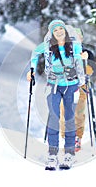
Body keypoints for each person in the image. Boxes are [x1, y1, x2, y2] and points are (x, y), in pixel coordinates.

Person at [27, 20, 85, 170]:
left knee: (70, 118)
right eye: (55, 30)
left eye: (61, 29)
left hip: (71, 86)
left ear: (65, 30)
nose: (59, 31)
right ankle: (52, 154)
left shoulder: (73, 45)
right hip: (53, 85)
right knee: (53, 117)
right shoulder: (47, 46)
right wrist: (31, 70)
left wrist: (82, 80)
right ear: (51, 33)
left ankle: (69, 153)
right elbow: (34, 53)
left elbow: (79, 62)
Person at [59, 28, 96, 152]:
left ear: (81, 38)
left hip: (81, 86)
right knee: (64, 110)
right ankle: (66, 137)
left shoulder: (86, 53)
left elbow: (93, 72)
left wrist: (86, 62)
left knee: (78, 110)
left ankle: (77, 137)